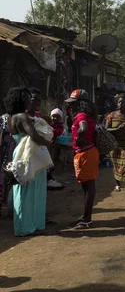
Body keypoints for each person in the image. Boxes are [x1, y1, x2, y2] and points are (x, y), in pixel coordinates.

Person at [4, 87, 53, 236]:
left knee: (23, 191)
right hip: (29, 155)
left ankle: (28, 225)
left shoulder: (10, 118)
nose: (29, 100)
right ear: (20, 100)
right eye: (26, 98)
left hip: (20, 153)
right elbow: (34, 136)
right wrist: (48, 142)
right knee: (32, 192)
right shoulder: (23, 117)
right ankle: (28, 226)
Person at [65, 89, 99, 229]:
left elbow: (83, 128)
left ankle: (87, 219)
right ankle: (86, 216)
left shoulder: (82, 116)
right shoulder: (85, 115)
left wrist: (79, 139)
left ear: (81, 104)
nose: (70, 106)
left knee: (88, 188)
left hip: (86, 154)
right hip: (86, 153)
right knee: (87, 187)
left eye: (73, 104)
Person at [46, 108, 65, 191]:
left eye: (57, 117)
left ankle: (49, 177)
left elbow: (58, 132)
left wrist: (51, 130)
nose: (55, 119)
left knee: (49, 160)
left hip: (52, 144)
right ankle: (48, 177)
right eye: (53, 116)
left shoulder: (60, 125)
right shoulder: (47, 123)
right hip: (47, 144)